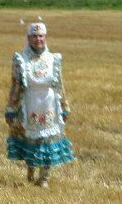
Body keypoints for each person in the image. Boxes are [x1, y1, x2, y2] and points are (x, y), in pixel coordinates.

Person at [5, 21, 75, 187]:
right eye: (34, 36)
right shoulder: (20, 59)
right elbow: (15, 84)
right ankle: (31, 169)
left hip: (49, 103)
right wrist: (11, 108)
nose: (38, 39)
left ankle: (44, 177)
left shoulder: (54, 59)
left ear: (45, 37)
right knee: (30, 139)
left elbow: (59, 84)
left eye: (41, 36)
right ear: (28, 38)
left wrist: (64, 105)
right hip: (29, 103)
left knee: (47, 140)